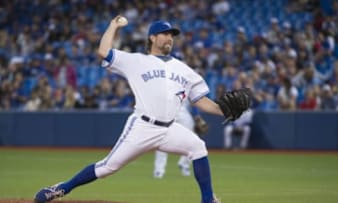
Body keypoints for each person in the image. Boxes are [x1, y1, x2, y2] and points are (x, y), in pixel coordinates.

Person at [34, 16, 224, 203]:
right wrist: (112, 26)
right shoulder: (136, 61)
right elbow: (103, 51)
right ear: (152, 38)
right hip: (143, 126)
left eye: (171, 35)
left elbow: (200, 100)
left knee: (198, 147)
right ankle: (61, 188)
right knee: (107, 168)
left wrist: (223, 111)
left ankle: (208, 199)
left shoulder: (184, 70)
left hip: (169, 129)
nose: (169, 38)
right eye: (164, 34)